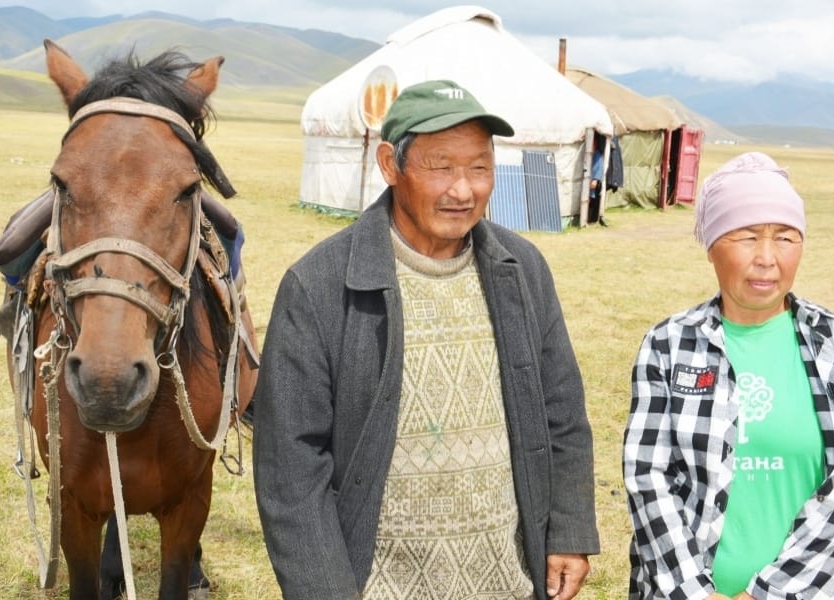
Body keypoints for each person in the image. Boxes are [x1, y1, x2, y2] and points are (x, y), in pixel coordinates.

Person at [253, 79, 600, 600]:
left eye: (480, 168)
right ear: (391, 165)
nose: (463, 190)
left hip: (509, 580)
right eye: (441, 167)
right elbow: (291, 469)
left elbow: (563, 412)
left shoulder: (522, 269)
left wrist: (568, 531)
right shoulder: (319, 286)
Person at [622, 151, 834, 599]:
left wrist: (766, 594)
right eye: (746, 237)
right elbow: (647, 476)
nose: (767, 258)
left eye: (785, 237)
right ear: (711, 246)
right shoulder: (669, 344)